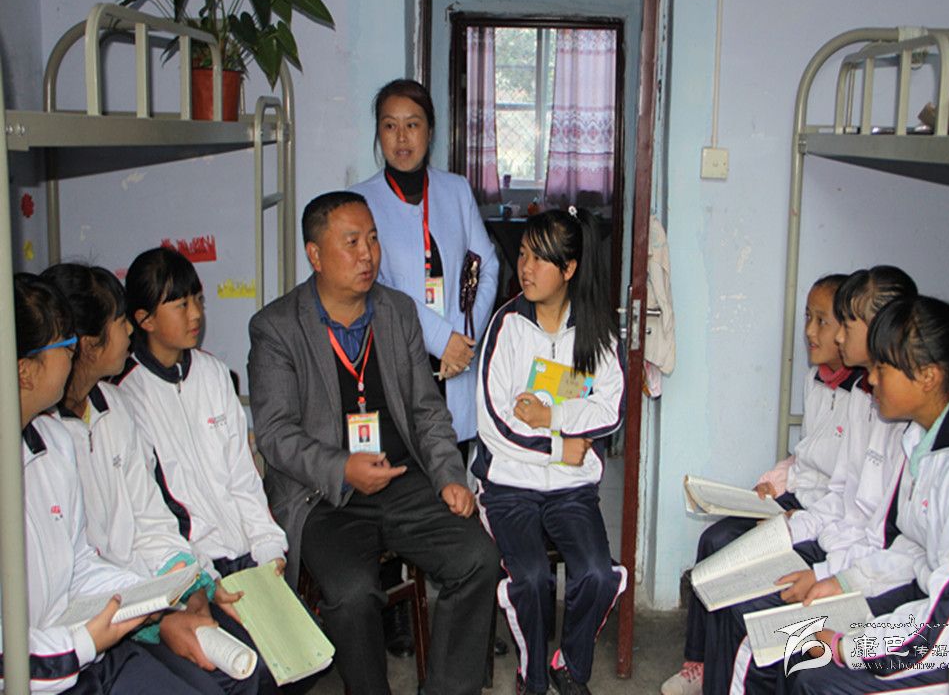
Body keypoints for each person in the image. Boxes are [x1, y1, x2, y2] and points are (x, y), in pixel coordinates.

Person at [247, 191, 501, 695]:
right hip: (324, 497)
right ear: (315, 255)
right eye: (351, 243)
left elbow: (427, 410)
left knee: (478, 558)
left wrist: (449, 476)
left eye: (373, 239)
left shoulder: (396, 311)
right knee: (352, 594)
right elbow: (275, 434)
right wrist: (343, 468)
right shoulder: (277, 327)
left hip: (402, 481)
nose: (368, 255)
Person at [693, 266, 919, 694]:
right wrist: (787, 531)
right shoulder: (866, 399)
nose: (835, 337)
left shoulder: (910, 429)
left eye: (843, 324)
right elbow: (842, 497)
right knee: (725, 574)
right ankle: (702, 670)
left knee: (764, 629)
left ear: (883, 329)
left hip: (870, 573)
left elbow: (888, 545)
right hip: (841, 550)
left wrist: (828, 576)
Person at [43, 262, 267, 695]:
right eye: (120, 321)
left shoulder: (111, 406)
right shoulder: (47, 436)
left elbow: (152, 520)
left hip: (145, 598)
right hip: (103, 621)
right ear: (86, 344)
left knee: (250, 669)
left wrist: (192, 587)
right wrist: (163, 612)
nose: (129, 330)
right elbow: (79, 568)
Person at [783, 297, 949, 693]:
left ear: (927, 376)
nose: (871, 380)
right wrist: (844, 581)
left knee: (816, 678)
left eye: (882, 368)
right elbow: (913, 544)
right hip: (934, 603)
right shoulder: (924, 435)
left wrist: (848, 647)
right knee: (796, 642)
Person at [660, 272, 859, 695]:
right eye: (808, 317)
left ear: (848, 328)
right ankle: (699, 664)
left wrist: (792, 518)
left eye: (822, 321)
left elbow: (845, 493)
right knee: (713, 541)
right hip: (796, 501)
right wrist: (773, 483)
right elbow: (807, 454)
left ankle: (723, 672)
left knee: (734, 572)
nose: (810, 331)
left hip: (817, 517)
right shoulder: (817, 379)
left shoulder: (864, 396)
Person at [7, 273, 204, 694]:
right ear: (24, 371)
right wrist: (84, 642)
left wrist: (139, 596)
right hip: (48, 668)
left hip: (87, 649)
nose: (73, 354)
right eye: (64, 347)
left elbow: (78, 562)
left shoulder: (53, 443)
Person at [474, 207, 627, 695]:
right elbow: (495, 423)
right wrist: (562, 446)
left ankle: (570, 665)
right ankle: (534, 676)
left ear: (569, 269)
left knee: (599, 576)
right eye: (523, 254)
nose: (526, 268)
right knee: (533, 578)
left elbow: (610, 409)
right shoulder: (506, 325)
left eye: (540, 259)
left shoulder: (597, 331)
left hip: (570, 489)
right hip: (508, 485)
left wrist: (552, 417)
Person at [115, 247, 288, 585]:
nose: (195, 314)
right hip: (193, 569)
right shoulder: (127, 395)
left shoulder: (214, 373)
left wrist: (269, 549)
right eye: (181, 305)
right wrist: (203, 579)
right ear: (145, 319)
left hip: (247, 555)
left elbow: (243, 477)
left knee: (297, 621)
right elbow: (152, 514)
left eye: (198, 299)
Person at [351, 78, 499, 453]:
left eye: (412, 124)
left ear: (429, 132)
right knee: (406, 471)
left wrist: (463, 339)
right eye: (390, 125)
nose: (401, 137)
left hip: (456, 364)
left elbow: (487, 266)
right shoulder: (359, 202)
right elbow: (374, 287)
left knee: (453, 470)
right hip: (398, 358)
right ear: (378, 133)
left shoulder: (456, 190)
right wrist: (439, 338)